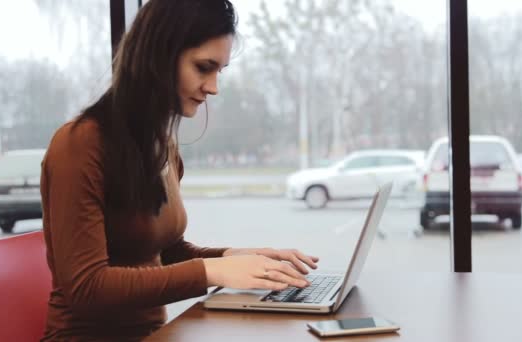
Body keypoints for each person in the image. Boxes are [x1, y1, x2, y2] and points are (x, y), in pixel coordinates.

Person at [40, 0, 318, 340]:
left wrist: (239, 258)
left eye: (219, 71)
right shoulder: (79, 144)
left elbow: (166, 252)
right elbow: (87, 288)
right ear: (159, 56)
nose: (213, 87)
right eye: (203, 67)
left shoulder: (162, 145)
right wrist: (215, 271)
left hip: (157, 333)